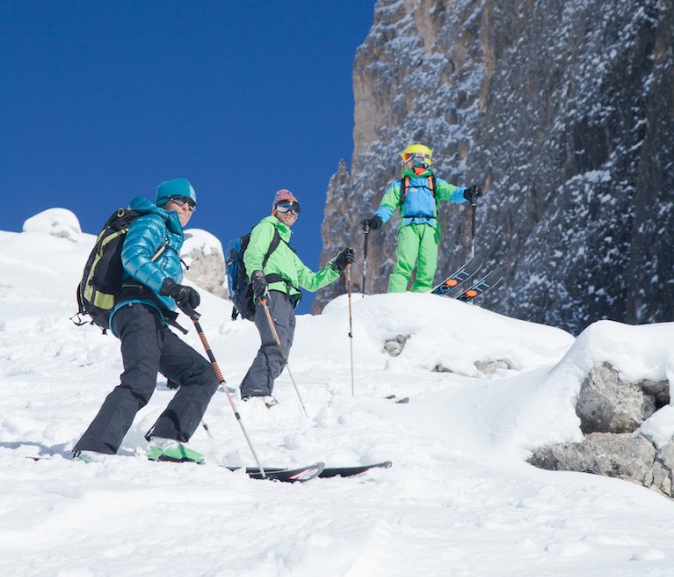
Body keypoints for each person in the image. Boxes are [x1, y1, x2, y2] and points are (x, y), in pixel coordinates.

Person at [73, 178, 219, 463]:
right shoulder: (153, 221)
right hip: (135, 310)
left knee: (203, 375)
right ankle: (94, 447)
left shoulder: (171, 239)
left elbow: (157, 279)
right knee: (140, 381)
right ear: (165, 200)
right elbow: (133, 258)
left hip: (153, 317)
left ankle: (167, 439)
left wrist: (177, 298)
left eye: (192, 204)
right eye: (181, 200)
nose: (187, 207)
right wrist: (170, 287)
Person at [240, 188, 354, 407]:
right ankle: (256, 392)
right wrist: (257, 276)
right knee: (275, 345)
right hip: (271, 292)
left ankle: (254, 389)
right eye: (284, 206)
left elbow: (311, 281)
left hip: (287, 300)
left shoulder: (288, 252)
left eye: (295, 208)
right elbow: (252, 253)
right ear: (275, 210)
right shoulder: (266, 228)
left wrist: (337, 266)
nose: (290, 212)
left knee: (281, 352)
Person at [361, 144, 481, 294]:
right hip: (409, 226)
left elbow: (452, 192)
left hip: (430, 228)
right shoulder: (401, 185)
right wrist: (377, 219)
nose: (404, 162)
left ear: (419, 158)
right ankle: (395, 296)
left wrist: (467, 193)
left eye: (407, 157)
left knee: (428, 266)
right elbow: (388, 205)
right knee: (405, 263)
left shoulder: (434, 183)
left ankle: (421, 296)